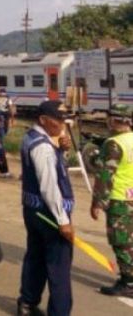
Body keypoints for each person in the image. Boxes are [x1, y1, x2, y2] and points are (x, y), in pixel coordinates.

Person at [17, 100, 74, 316]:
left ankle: (27, 303)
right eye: (58, 120)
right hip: (50, 214)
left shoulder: (32, 138)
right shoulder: (42, 146)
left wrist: (60, 150)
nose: (62, 124)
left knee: (36, 257)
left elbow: (53, 170)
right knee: (59, 268)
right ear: (43, 120)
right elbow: (49, 185)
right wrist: (63, 220)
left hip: (33, 210)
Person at [90, 103, 133, 297]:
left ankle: (129, 282)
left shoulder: (114, 144)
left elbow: (106, 175)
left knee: (121, 241)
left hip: (120, 199)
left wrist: (97, 202)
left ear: (114, 120)